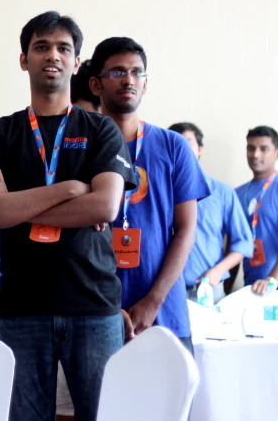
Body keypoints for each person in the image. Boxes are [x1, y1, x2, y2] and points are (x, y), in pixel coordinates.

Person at [0, 11, 135, 421]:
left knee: (104, 415)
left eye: (64, 48)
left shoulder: (101, 130)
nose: (52, 56)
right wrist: (69, 190)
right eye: (41, 47)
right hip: (22, 308)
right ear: (23, 59)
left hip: (93, 306)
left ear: (77, 63)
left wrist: (16, 204)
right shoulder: (0, 134)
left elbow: (105, 207)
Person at [90, 37, 210, 355]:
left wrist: (153, 300)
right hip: (94, 314)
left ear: (145, 84)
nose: (129, 79)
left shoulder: (173, 146)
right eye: (117, 72)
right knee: (99, 406)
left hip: (163, 313)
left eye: (137, 72)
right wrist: (105, 307)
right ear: (95, 84)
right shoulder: (80, 147)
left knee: (170, 404)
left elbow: (185, 229)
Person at [168, 122, 254, 302]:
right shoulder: (157, 192)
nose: (182, 148)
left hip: (207, 291)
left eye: (188, 142)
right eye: (176, 144)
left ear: (200, 149)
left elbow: (244, 243)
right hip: (167, 291)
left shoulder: (222, 192)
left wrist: (217, 271)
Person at [234, 126, 278, 294]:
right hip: (252, 286)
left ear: (277, 154)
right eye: (251, 148)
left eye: (263, 149)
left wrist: (272, 279)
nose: (255, 154)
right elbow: (235, 244)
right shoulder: (237, 193)